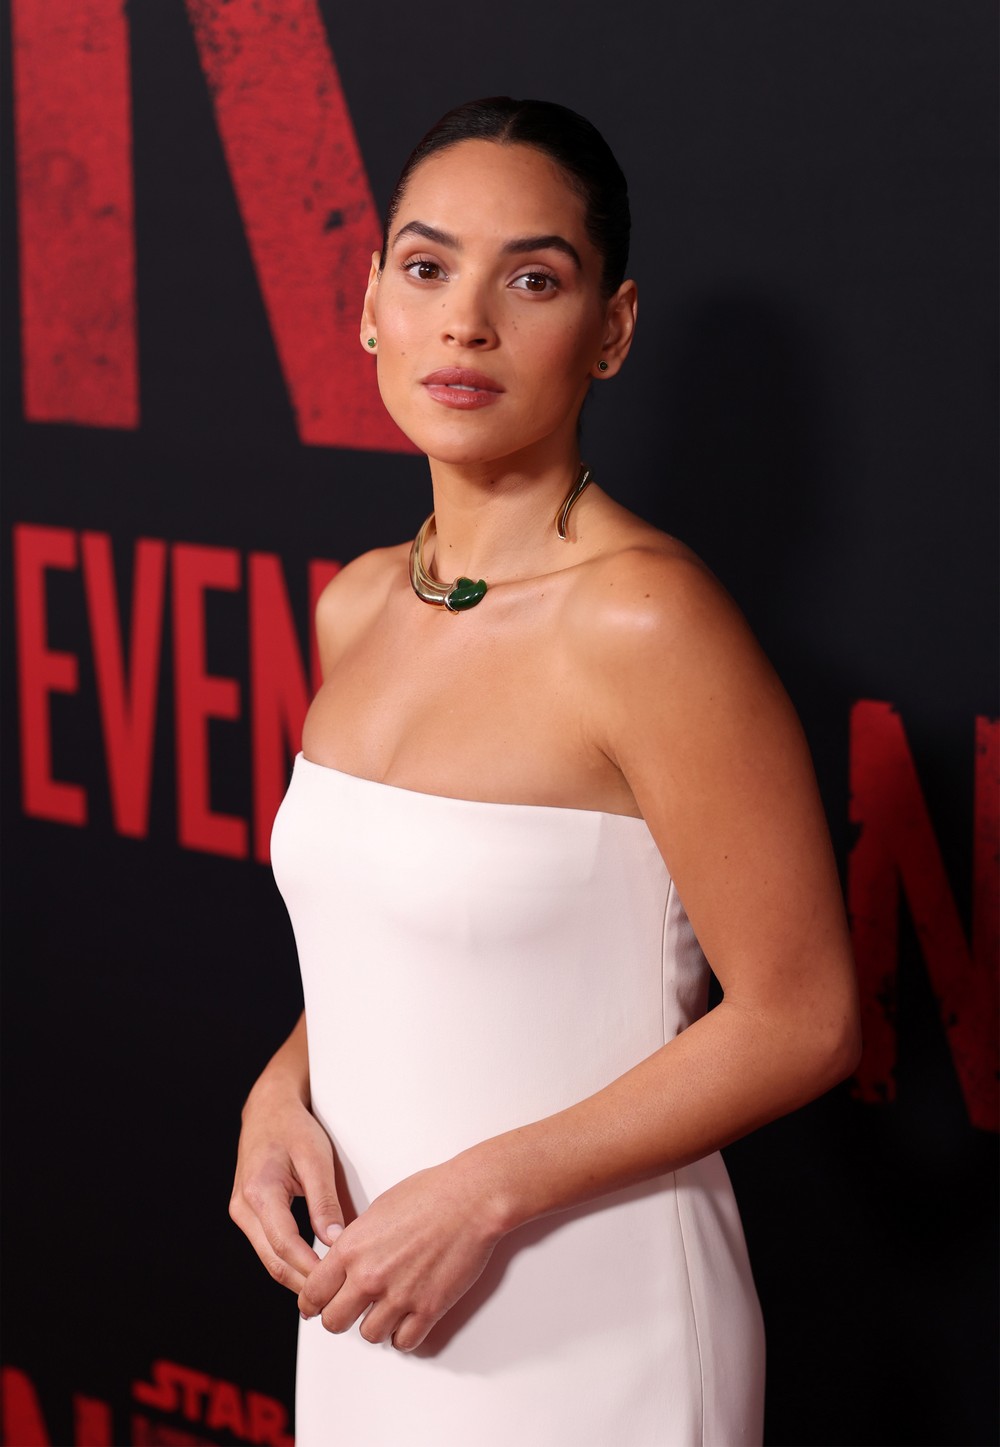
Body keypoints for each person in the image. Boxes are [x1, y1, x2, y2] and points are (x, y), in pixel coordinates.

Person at [229, 97, 860, 1447]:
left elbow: (804, 1017)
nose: (465, 322)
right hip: (367, 1301)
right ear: (370, 305)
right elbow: (408, 941)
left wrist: (484, 1196)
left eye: (532, 279)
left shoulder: (646, 620)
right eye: (427, 267)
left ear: (611, 330)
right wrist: (283, 1088)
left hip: (594, 1321)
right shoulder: (356, 604)